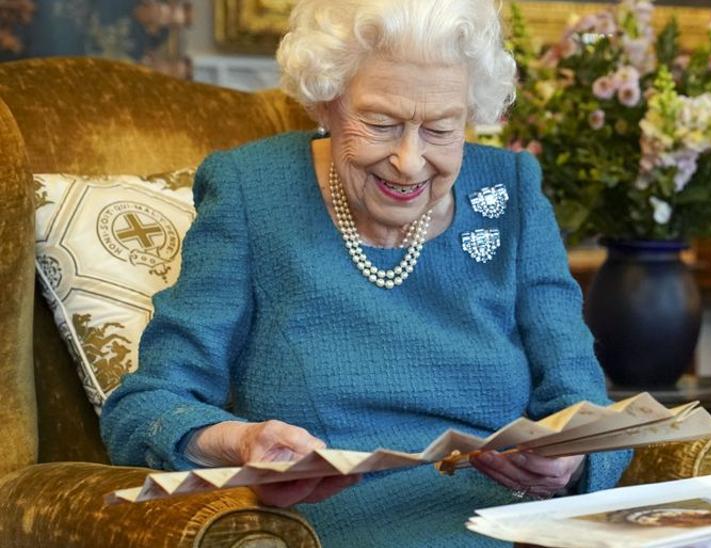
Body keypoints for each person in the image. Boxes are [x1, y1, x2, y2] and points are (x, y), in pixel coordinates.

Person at [98, 0, 631, 544]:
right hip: (354, 528)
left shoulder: (511, 189)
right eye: (380, 124)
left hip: (526, 526)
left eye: (441, 129)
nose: (409, 161)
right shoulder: (251, 192)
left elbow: (583, 401)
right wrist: (240, 442)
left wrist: (572, 459)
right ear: (325, 101)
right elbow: (143, 408)